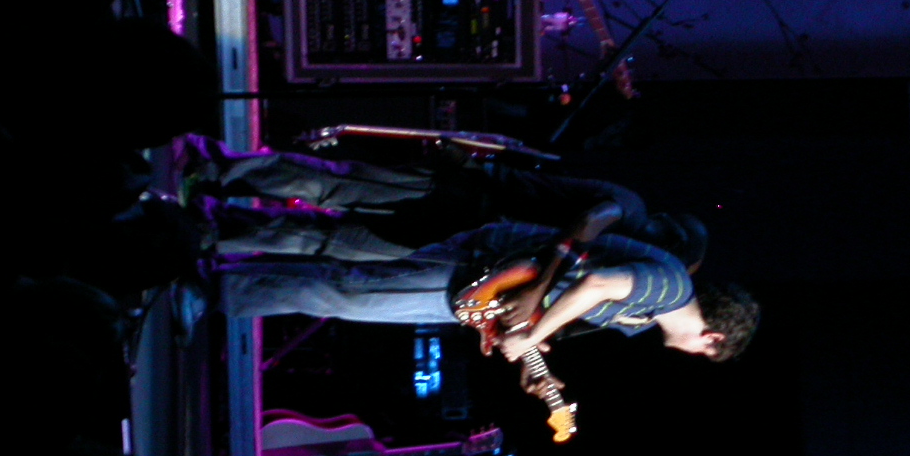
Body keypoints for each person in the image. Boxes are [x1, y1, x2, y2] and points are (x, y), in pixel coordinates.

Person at [212, 215, 759, 371]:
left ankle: (226, 276)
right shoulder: (671, 287)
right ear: (712, 336)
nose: (692, 356)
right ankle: (220, 288)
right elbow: (596, 283)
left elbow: (571, 296)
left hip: (491, 288)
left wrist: (533, 349)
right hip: (489, 268)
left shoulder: (642, 320)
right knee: (349, 294)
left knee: (350, 288)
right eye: (703, 354)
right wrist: (534, 337)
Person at [177, 134, 709, 270]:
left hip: (462, 239)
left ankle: (217, 228)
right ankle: (218, 167)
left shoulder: (612, 256)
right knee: (333, 186)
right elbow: (594, 216)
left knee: (330, 240)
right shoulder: (628, 211)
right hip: (465, 193)